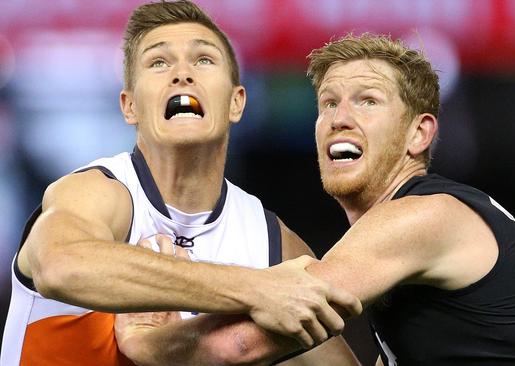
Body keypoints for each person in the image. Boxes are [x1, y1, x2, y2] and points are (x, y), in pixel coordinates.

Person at [114, 32, 515, 365]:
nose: (339, 116)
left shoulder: (423, 216)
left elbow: (246, 344)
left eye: (367, 100)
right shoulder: (399, 279)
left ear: (419, 135)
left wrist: (147, 343)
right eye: (328, 103)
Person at [0, 1, 363, 365]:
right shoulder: (98, 192)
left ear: (237, 103)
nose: (182, 73)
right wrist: (254, 288)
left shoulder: (272, 245)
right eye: (159, 62)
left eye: (203, 60)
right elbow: (59, 265)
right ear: (130, 107)